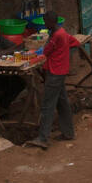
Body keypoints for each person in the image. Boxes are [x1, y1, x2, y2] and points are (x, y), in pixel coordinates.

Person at [28, 10, 74, 149]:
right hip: (60, 71)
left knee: (48, 105)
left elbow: (46, 51)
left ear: (51, 22)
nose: (45, 24)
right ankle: (68, 132)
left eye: (46, 22)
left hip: (55, 72)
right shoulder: (61, 32)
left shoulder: (56, 36)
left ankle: (43, 138)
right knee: (62, 102)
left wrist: (33, 55)